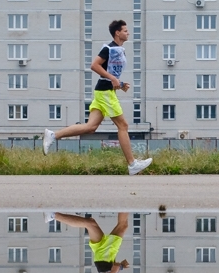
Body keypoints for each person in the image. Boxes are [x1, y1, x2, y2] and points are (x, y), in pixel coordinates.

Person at [43, 19, 152, 176]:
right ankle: (132, 164)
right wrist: (114, 80)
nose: (128, 33)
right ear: (117, 33)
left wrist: (120, 84)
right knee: (123, 126)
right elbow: (94, 65)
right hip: (105, 92)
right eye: (125, 30)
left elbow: (111, 74)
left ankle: (53, 135)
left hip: (105, 91)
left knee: (90, 127)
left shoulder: (119, 50)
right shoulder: (109, 48)